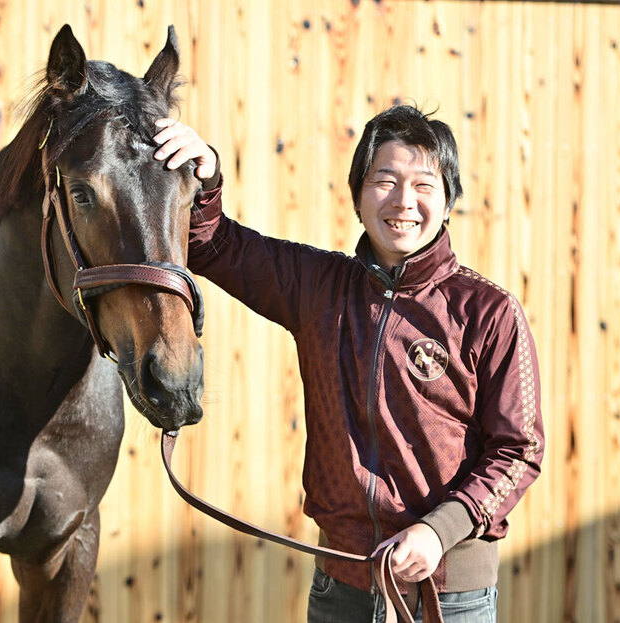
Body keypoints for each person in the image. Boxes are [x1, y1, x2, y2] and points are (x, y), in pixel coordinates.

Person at [151, 105, 544, 622]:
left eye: (424, 185)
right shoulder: (318, 286)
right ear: (358, 196)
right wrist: (203, 178)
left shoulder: (487, 312)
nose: (404, 201)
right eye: (385, 181)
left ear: (448, 203)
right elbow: (213, 243)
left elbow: (519, 450)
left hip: (450, 598)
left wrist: (438, 530)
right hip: (341, 589)